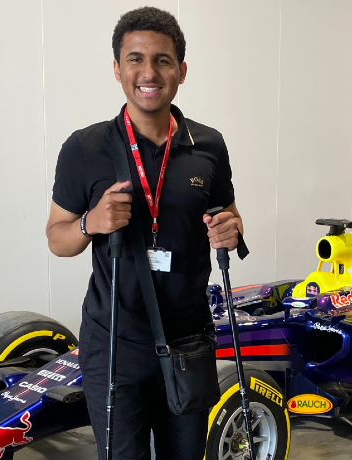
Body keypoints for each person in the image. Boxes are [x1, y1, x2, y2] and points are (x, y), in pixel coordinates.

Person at [45, 7, 244, 459]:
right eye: (135, 59)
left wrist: (231, 231)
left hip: (190, 341)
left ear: (182, 70)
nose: (148, 72)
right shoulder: (85, 148)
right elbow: (56, 238)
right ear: (117, 69)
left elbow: (229, 216)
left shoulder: (207, 145)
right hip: (115, 343)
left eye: (163, 60)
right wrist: (89, 223)